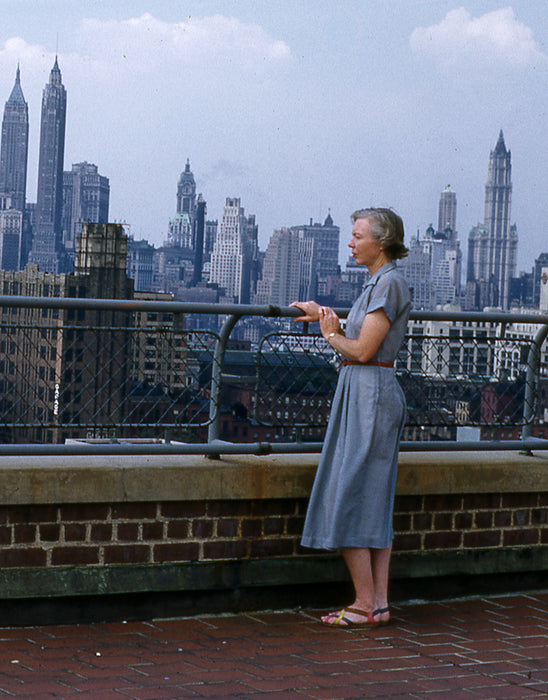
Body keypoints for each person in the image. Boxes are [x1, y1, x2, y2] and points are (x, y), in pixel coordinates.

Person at [290, 207, 411, 628]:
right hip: (366, 394)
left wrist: (330, 335)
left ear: (380, 241)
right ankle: (376, 604)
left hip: (369, 395)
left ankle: (363, 604)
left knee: (350, 495)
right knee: (370, 498)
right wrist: (325, 315)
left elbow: (361, 350)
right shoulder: (380, 283)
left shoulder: (389, 283)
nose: (351, 243)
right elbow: (362, 337)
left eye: (357, 236)